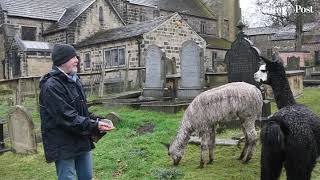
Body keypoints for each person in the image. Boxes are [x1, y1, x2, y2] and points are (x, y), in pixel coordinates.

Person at [39, 43, 113, 180]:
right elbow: (67, 117)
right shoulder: (51, 86)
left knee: (86, 176)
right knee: (68, 177)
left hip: (81, 137)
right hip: (63, 143)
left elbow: (81, 112)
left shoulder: (74, 79)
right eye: (73, 57)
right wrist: (94, 125)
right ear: (62, 60)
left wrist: (98, 121)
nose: (77, 60)